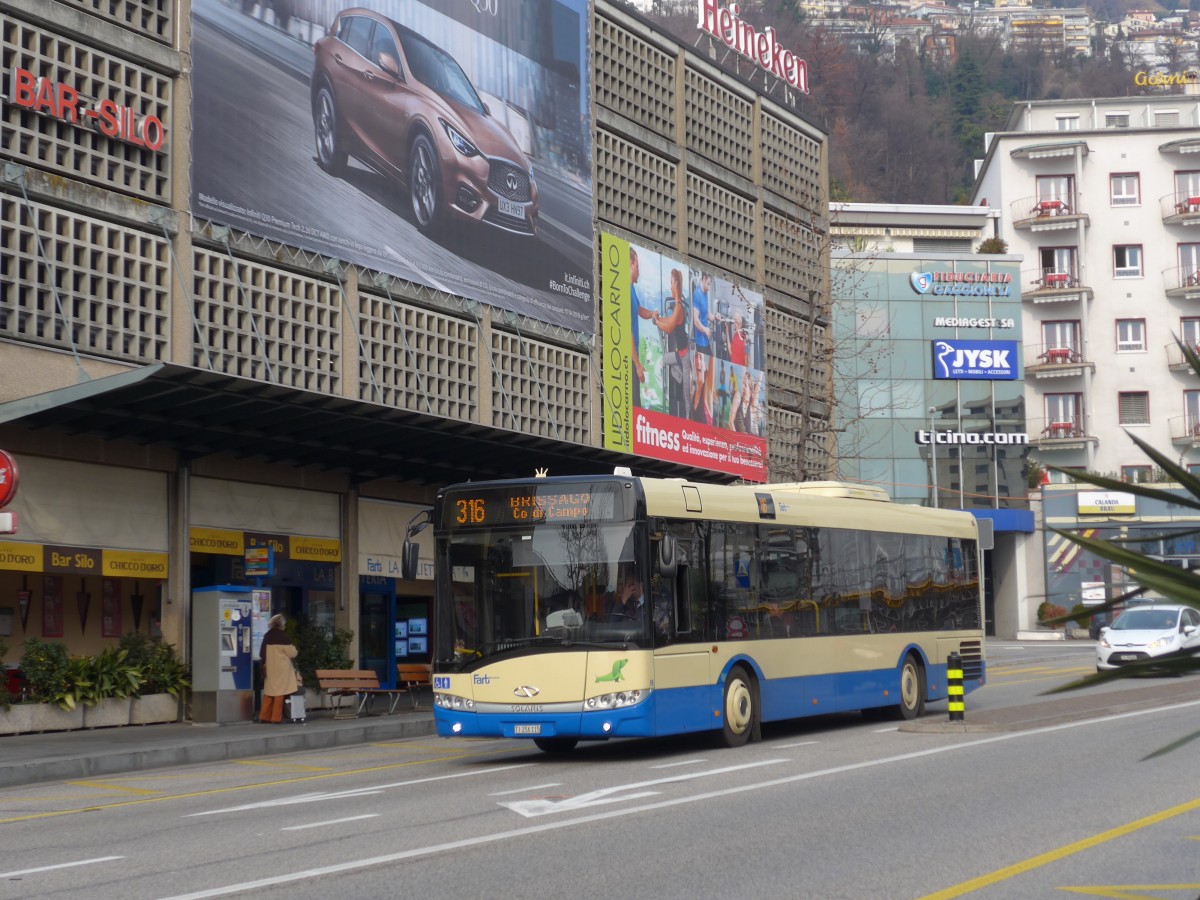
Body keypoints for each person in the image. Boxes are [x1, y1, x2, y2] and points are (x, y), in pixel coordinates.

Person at [654, 268, 690, 419]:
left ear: (676, 284)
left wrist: (657, 321)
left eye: (671, 283)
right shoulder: (676, 307)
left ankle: (689, 422)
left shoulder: (679, 307)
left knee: (686, 396)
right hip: (677, 356)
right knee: (661, 362)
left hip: (685, 358)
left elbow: (669, 328)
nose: (669, 286)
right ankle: (669, 393)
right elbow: (668, 321)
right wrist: (658, 319)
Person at [258, 613, 299, 724]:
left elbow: (261, 653)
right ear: (281, 624)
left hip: (270, 667)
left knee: (270, 692)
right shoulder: (283, 636)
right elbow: (292, 653)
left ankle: (264, 716)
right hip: (282, 669)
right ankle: (276, 718)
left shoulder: (267, 635)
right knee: (279, 693)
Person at [629, 247, 656, 409]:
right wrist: (638, 364)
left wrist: (653, 314)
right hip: (629, 359)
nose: (639, 272)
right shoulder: (625, 288)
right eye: (637, 267)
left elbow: (639, 310)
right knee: (634, 406)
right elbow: (628, 333)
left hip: (633, 357)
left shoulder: (631, 288)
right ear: (631, 265)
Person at [691, 272, 713, 355]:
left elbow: (707, 314)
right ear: (703, 279)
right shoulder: (697, 294)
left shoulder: (705, 293)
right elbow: (696, 321)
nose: (709, 287)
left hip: (706, 340)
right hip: (701, 342)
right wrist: (705, 329)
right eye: (708, 283)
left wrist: (716, 318)